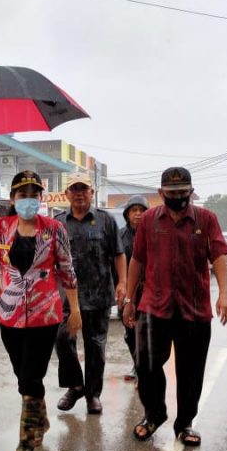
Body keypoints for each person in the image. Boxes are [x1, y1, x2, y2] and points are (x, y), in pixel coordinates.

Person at [0, 171, 81, 451]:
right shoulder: (0, 228)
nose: (29, 200)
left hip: (45, 314)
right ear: (13, 199)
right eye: (23, 195)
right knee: (23, 376)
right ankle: (39, 419)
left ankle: (25, 447)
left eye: (34, 195)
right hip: (10, 313)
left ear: (41, 198)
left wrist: (75, 309)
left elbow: (67, 269)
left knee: (31, 377)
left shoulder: (54, 229)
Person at [121, 166, 227, 446]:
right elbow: (138, 260)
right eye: (172, 193)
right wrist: (129, 299)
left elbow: (219, 255)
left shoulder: (206, 219)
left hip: (194, 308)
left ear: (191, 192)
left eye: (183, 192)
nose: (178, 197)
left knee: (191, 371)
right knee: (145, 363)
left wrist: (224, 294)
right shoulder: (149, 220)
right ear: (161, 193)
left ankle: (185, 424)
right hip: (154, 305)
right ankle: (154, 414)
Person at [53, 173, 126, 415]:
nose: (79, 194)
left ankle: (93, 395)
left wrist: (122, 282)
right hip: (66, 296)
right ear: (66, 194)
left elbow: (119, 254)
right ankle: (75, 386)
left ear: (91, 193)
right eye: (74, 189)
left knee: (95, 347)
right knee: (62, 338)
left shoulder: (106, 221)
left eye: (83, 189)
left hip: (99, 295)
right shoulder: (57, 223)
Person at [118, 195, 149, 381]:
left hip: (148, 291)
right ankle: (137, 365)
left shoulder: (153, 233)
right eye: (134, 210)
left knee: (145, 332)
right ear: (127, 214)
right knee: (130, 334)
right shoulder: (120, 236)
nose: (138, 214)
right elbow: (114, 262)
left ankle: (143, 369)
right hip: (127, 291)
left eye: (142, 210)